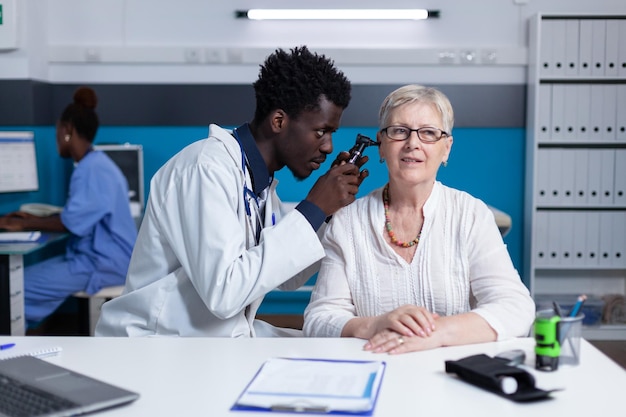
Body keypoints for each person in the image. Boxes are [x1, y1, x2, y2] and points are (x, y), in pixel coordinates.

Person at [96, 46, 368, 337]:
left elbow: (285, 276)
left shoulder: (258, 184)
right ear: (279, 121)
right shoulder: (205, 169)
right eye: (320, 131)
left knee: (322, 346)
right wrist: (313, 207)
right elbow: (224, 293)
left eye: (331, 134)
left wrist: (325, 213)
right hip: (157, 343)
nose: (328, 146)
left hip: (208, 338)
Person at [303, 84, 535, 353]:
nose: (412, 143)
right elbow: (318, 319)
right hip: (374, 368)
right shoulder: (346, 222)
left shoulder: (471, 215)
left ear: (446, 148)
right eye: (399, 131)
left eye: (428, 133)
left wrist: (436, 333)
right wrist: (375, 325)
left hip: (451, 375)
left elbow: (515, 306)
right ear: (381, 145)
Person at [0, 87, 138, 327]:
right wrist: (31, 217)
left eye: (57, 131)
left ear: (67, 130)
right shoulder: (95, 164)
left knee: (13, 288)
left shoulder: (91, 170)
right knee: (16, 284)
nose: (56, 139)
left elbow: (71, 222)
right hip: (98, 258)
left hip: (102, 263)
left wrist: (21, 223)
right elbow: (78, 214)